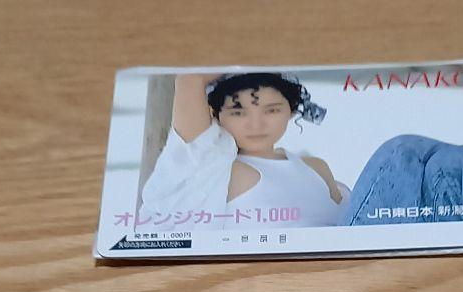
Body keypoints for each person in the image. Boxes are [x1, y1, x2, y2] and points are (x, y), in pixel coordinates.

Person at [139, 72, 346, 229]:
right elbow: (190, 79)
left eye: (272, 110)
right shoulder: (211, 169)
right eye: (238, 112)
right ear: (216, 114)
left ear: (291, 110)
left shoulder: (316, 168)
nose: (256, 125)